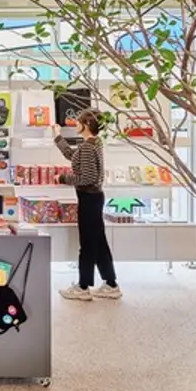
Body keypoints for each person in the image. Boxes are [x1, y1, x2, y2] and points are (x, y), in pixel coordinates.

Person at [53, 109, 122, 301]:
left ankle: (83, 286)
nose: (76, 124)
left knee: (88, 244)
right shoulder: (94, 143)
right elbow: (72, 155)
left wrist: (63, 178)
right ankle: (111, 283)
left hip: (88, 199)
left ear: (87, 125)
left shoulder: (88, 147)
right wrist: (57, 137)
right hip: (94, 198)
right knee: (98, 242)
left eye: (79, 121)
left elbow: (87, 178)